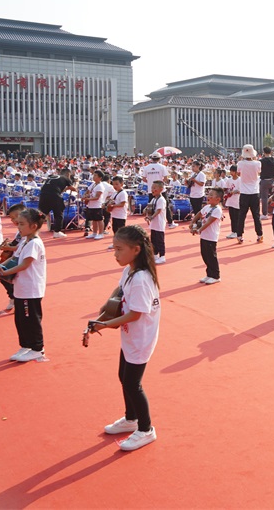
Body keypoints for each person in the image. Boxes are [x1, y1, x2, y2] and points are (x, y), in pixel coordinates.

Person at [92, 225, 161, 452]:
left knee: (132, 383)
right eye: (114, 248)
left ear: (136, 249)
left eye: (119, 249)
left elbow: (135, 314)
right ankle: (131, 418)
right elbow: (119, 289)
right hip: (131, 336)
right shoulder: (130, 271)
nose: (115, 254)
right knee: (123, 376)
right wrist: (106, 305)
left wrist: (104, 324)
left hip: (141, 338)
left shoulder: (141, 278)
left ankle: (146, 429)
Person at [0, 209, 48, 363]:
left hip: (31, 289)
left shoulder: (34, 243)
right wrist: (0, 266)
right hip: (21, 287)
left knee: (31, 320)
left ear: (33, 226)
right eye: (18, 223)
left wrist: (5, 273)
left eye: (22, 224)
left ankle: (37, 348)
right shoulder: (25, 241)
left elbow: (24, 264)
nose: (18, 227)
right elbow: (14, 258)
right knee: (21, 320)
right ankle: (26, 345)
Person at [0, 203, 27, 314]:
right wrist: (8, 246)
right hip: (14, 258)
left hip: (20, 261)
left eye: (16, 216)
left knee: (13, 281)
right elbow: (17, 244)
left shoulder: (27, 232)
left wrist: (9, 248)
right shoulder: (19, 231)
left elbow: (22, 247)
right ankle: (13, 297)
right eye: (12, 218)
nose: (14, 220)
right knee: (3, 276)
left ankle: (17, 301)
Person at [191, 187, 224, 284]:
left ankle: (216, 276)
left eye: (211, 195)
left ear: (218, 199)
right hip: (204, 236)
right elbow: (199, 214)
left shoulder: (217, 210)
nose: (208, 196)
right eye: (208, 194)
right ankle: (209, 274)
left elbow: (209, 222)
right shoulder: (207, 207)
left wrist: (199, 230)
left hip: (211, 237)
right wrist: (192, 222)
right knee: (205, 255)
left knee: (211, 256)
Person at [237, 145, 264, 244]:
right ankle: (259, 234)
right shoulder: (257, 163)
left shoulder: (240, 163)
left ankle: (239, 235)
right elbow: (259, 172)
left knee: (242, 215)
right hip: (254, 192)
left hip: (244, 192)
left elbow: (239, 173)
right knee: (256, 215)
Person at [38, 167, 75, 238]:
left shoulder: (52, 177)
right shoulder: (66, 178)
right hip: (54, 196)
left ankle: (32, 228)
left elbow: (57, 188)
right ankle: (57, 232)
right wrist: (76, 184)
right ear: (68, 174)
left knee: (42, 214)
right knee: (59, 213)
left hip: (43, 195)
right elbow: (73, 188)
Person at [146, 180, 167, 264]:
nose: (152, 190)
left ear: (161, 189)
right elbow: (149, 207)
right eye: (152, 188)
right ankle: (155, 254)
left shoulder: (161, 199)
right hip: (154, 224)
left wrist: (151, 217)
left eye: (154, 188)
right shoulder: (154, 199)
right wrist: (146, 212)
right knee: (153, 240)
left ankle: (162, 256)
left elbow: (158, 210)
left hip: (159, 223)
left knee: (160, 240)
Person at [107, 175, 129, 250]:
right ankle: (116, 243)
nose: (115, 186)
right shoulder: (115, 193)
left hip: (121, 215)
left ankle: (123, 244)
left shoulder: (123, 193)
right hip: (114, 214)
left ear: (122, 184)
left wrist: (113, 205)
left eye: (117, 184)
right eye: (113, 184)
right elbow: (111, 200)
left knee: (121, 231)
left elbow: (122, 204)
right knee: (115, 230)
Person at [84, 170, 107, 240]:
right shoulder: (93, 184)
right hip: (91, 205)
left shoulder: (100, 186)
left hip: (97, 205)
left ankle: (101, 233)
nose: (93, 177)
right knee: (94, 220)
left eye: (95, 175)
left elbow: (97, 197)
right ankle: (94, 233)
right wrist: (85, 195)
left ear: (100, 178)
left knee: (99, 220)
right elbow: (88, 191)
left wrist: (88, 199)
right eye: (93, 175)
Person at [259, 146, 274, 219]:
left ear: (264, 152)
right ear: (271, 152)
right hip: (273, 180)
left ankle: (265, 214)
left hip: (264, 180)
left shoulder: (261, 161)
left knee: (264, 198)